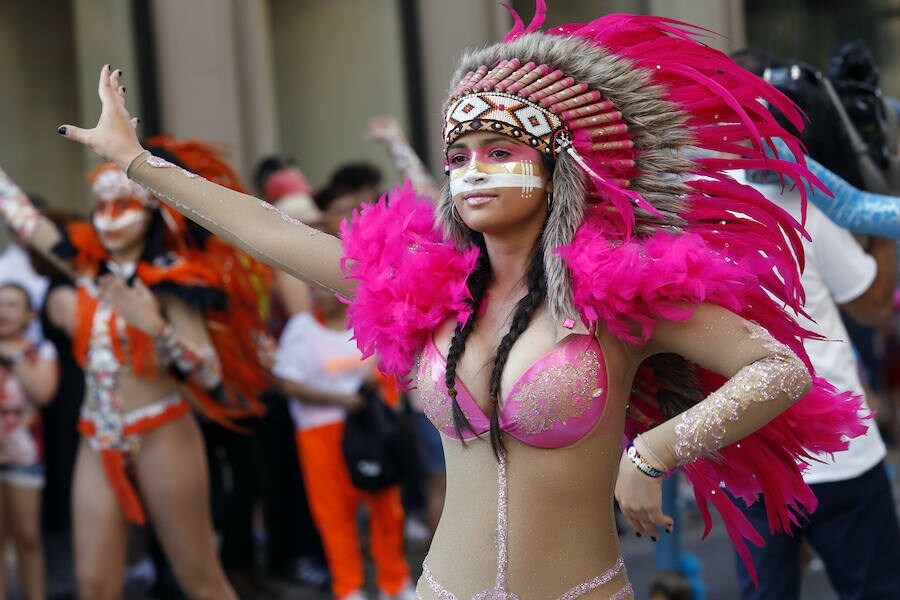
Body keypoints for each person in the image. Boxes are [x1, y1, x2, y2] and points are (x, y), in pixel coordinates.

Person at [56, 4, 868, 597]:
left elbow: (776, 370)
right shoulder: (428, 293)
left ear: (557, 169)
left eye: (500, 150)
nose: (473, 170)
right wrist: (138, 163)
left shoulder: (622, 296)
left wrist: (654, 452)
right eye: (459, 154)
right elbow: (268, 233)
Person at [0, 162, 237, 599]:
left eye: (123, 205)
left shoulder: (170, 281)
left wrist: (157, 328)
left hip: (162, 429)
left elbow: (209, 371)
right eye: (101, 205)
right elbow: (25, 219)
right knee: (93, 585)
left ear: (150, 215)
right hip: (98, 435)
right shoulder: (85, 270)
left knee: (200, 580)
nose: (109, 216)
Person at [728, 57, 899, 599]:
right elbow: (873, 304)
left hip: (738, 445)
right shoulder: (804, 191)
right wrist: (874, 173)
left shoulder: (680, 203)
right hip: (836, 448)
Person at [275, 281, 414, 600]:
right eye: (312, 288)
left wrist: (376, 375)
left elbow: (396, 362)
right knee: (333, 514)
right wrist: (339, 398)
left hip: (372, 430)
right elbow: (287, 384)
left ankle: (394, 582)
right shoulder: (302, 329)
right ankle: (348, 586)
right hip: (320, 433)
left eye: (323, 286)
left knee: (386, 507)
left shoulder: (370, 322)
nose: (318, 294)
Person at [0, 283, 58, 600]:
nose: (3, 312)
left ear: (29, 314)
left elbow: (43, 393)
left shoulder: (40, 351)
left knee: (28, 535)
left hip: (26, 454)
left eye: (11, 305)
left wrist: (15, 355)